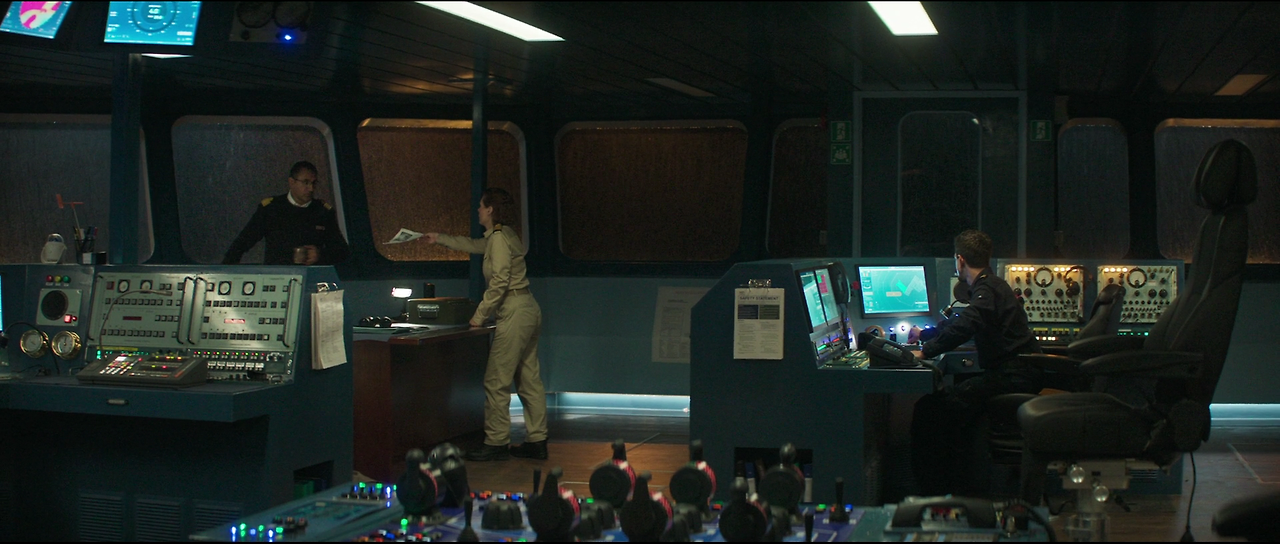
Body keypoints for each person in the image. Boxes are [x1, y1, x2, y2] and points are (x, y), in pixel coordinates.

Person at [908, 229, 1043, 497]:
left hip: (1013, 378)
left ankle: (937, 491)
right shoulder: (992, 286)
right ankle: (956, 486)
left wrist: (924, 352)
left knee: (929, 410)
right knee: (946, 405)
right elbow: (963, 321)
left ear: (960, 260)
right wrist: (925, 335)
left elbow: (967, 324)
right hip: (1014, 374)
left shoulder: (987, 289)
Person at [424, 188, 548, 462]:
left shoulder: (500, 239)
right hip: (526, 308)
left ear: (490, 209)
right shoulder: (502, 235)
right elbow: (474, 245)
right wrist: (440, 238)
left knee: (496, 380)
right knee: (528, 379)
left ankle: (496, 442)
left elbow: (500, 281)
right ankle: (537, 440)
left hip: (514, 310)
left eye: (481, 206)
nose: (478, 210)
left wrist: (479, 315)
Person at [222, 161, 351, 265]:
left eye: (314, 183)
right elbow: (243, 242)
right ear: (292, 182)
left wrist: (319, 254)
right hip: (278, 278)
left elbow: (342, 252)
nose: (311, 188)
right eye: (306, 182)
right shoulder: (272, 209)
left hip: (311, 279)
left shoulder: (323, 212)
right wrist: (226, 270)